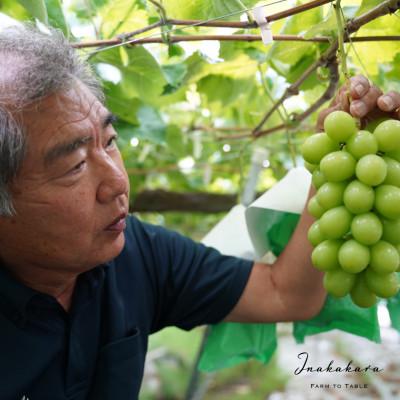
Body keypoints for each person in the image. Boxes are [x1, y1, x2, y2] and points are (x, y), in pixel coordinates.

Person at [0, 24, 398, 400]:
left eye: (109, 141)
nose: (118, 182)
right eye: (75, 166)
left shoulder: (138, 254)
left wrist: (333, 164)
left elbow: (284, 293)